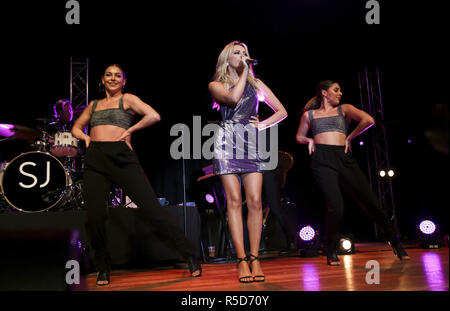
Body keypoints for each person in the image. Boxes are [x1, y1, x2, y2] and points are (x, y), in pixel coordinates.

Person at [72, 64, 201, 286]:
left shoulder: (128, 99)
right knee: (94, 217)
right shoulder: (93, 105)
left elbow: (154, 115)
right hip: (96, 158)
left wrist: (130, 130)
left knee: (152, 208)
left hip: (121, 157)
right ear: (102, 80)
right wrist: (85, 139)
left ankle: (189, 254)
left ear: (124, 81)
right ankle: (103, 267)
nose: (113, 78)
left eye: (118, 76)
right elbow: (76, 128)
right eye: (108, 75)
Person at [295, 80, 410, 266]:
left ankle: (395, 242)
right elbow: (299, 136)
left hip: (344, 158)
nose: (340, 93)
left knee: (371, 202)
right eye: (336, 90)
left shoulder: (344, 109)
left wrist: (349, 136)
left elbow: (369, 120)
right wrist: (308, 140)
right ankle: (331, 250)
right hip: (322, 160)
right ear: (324, 93)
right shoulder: (309, 115)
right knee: (337, 207)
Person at [209, 41, 287, 282]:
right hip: (226, 143)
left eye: (245, 53)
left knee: (254, 201)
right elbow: (233, 98)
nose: (242, 56)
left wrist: (262, 125)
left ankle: (255, 258)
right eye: (237, 53)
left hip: (251, 145)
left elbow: (282, 111)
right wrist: (244, 73)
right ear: (226, 59)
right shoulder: (216, 84)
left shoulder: (258, 85)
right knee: (234, 201)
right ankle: (241, 259)